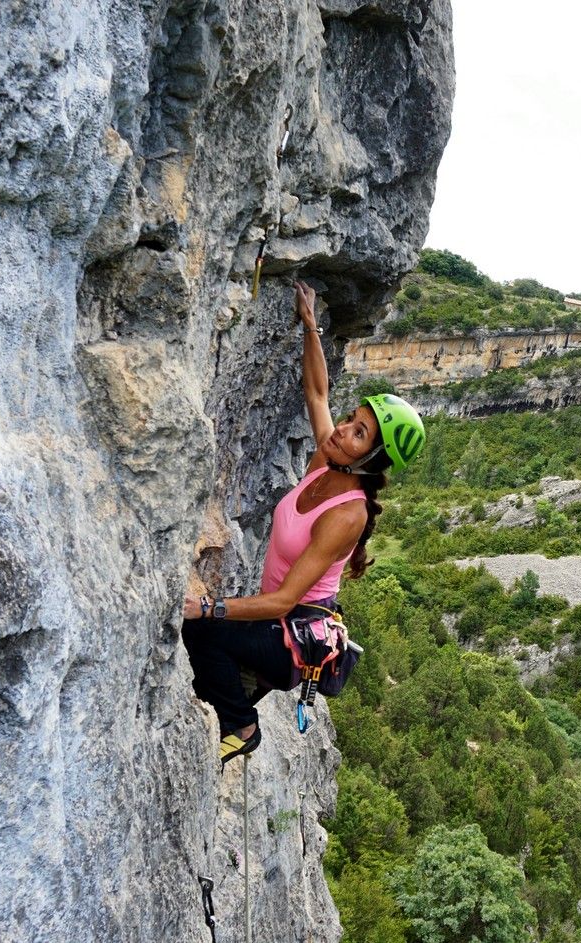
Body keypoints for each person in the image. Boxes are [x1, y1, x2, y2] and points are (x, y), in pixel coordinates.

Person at [181, 280, 425, 765]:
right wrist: (310, 325)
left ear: (374, 458)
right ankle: (233, 693)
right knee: (201, 675)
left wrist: (208, 609)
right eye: (352, 419)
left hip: (289, 634)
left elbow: (285, 600)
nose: (341, 430)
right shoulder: (327, 460)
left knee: (200, 633)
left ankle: (242, 725)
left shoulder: (346, 514)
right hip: (275, 624)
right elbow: (317, 392)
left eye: (359, 433)